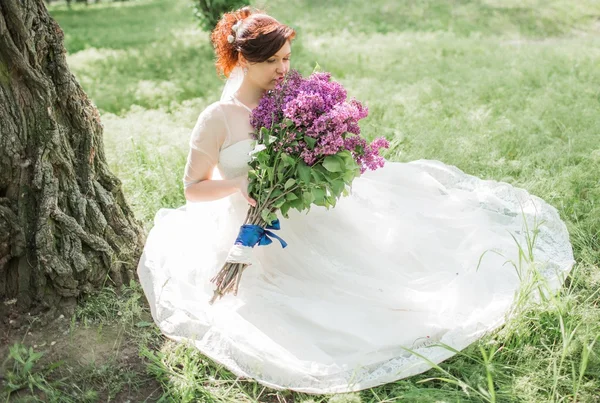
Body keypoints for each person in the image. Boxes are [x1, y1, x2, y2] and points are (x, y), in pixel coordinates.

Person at [136, 6, 575, 394]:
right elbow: (192, 188)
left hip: (305, 211)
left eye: (286, 57)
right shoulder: (217, 118)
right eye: (271, 61)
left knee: (389, 271)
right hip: (252, 224)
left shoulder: (293, 99)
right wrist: (240, 185)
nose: (283, 69)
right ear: (244, 61)